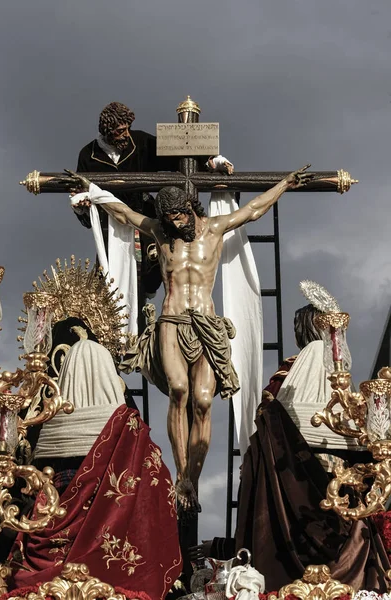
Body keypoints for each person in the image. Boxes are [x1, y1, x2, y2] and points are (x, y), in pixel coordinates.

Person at [68, 165, 314, 516]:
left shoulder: (213, 230)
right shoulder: (159, 232)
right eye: (168, 217)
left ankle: (190, 481)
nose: (175, 222)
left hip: (205, 325)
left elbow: (255, 208)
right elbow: (122, 211)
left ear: (190, 208)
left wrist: (286, 184)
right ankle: (180, 474)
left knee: (202, 400)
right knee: (179, 390)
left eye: (179, 214)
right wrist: (92, 188)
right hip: (170, 320)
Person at [10, 339, 182, 600]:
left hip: (48, 554)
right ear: (109, 374)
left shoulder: (48, 426)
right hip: (114, 574)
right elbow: (158, 488)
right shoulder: (128, 430)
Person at [235, 304, 389, 592]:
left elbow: (270, 425)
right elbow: (358, 430)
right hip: (342, 481)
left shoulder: (289, 374)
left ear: (300, 330)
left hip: (293, 481)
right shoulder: (339, 378)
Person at [73, 101, 178, 298]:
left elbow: (175, 157)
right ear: (108, 130)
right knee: (109, 279)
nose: (126, 134)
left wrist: (210, 159)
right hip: (111, 226)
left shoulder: (141, 141)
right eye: (121, 130)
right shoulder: (88, 155)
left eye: (128, 128)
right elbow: (84, 204)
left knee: (154, 266)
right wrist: (82, 207)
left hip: (144, 218)